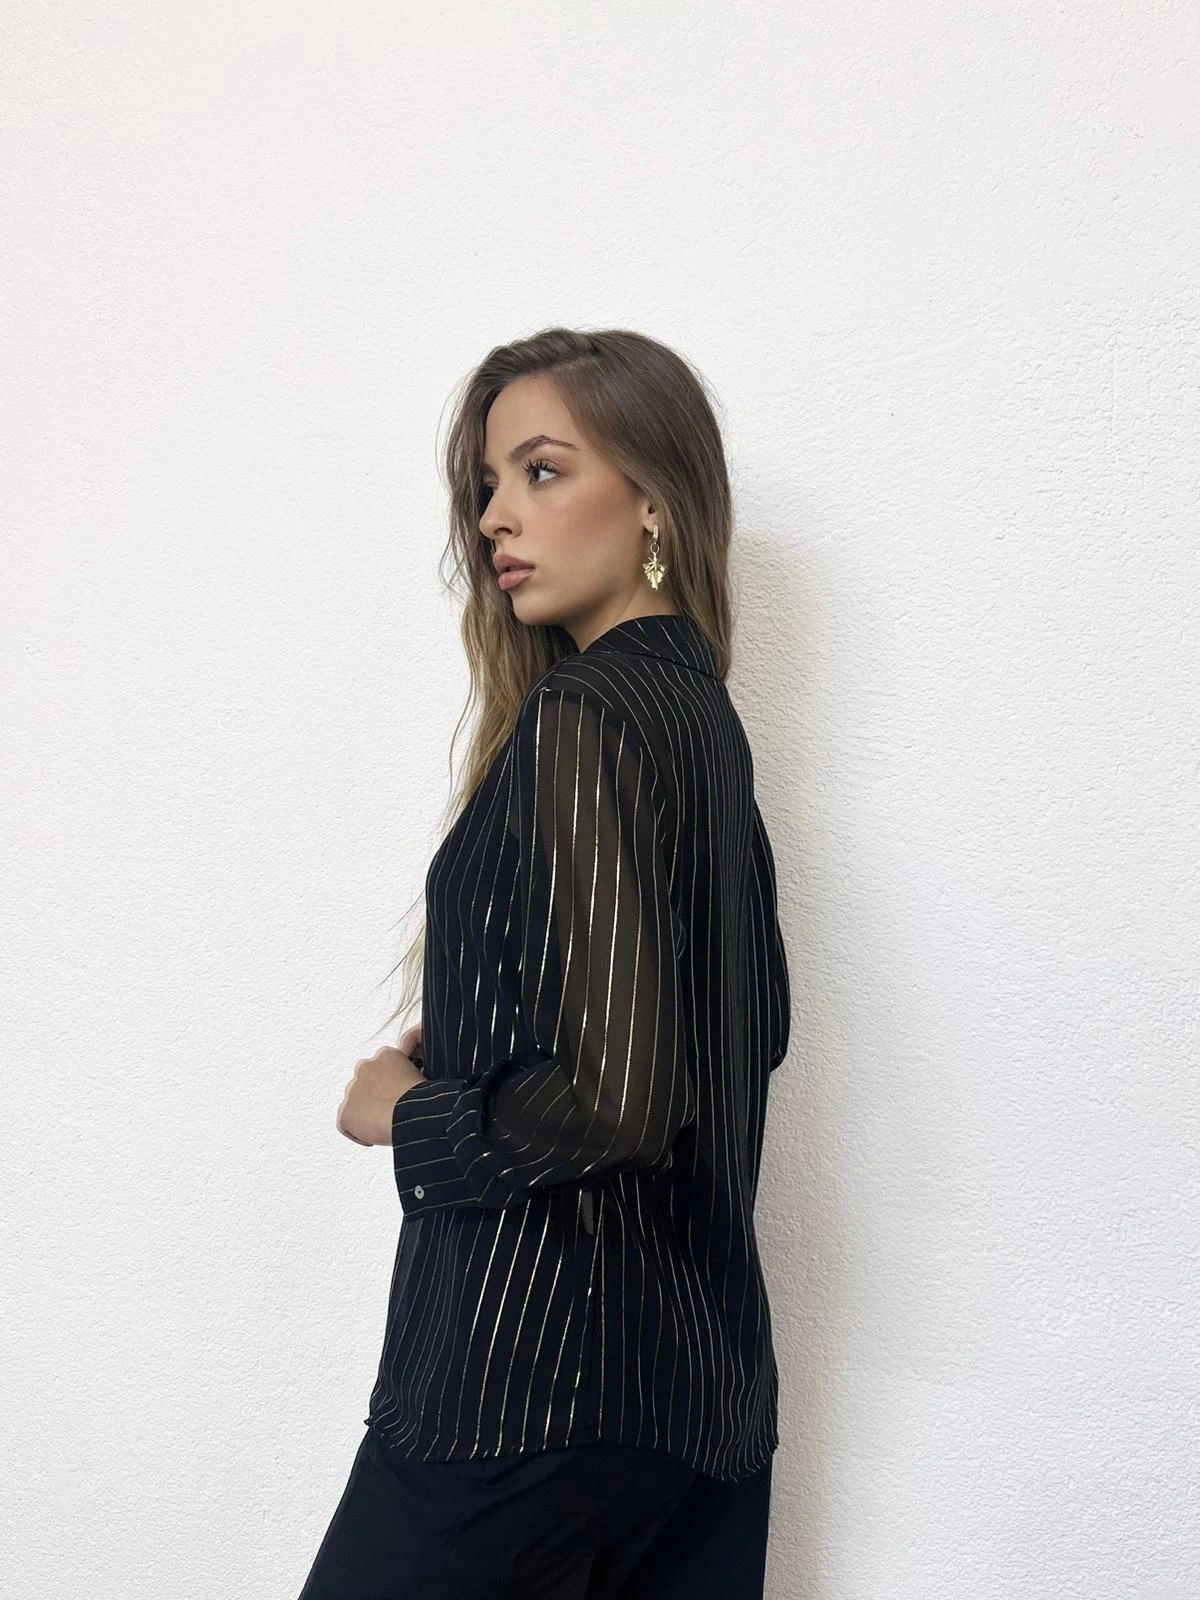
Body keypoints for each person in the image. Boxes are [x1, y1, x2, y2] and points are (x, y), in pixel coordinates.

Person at [299, 327, 792, 1599]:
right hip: (700, 1398)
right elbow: (753, 1028)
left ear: (654, 503)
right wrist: (487, 1030)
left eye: (542, 470)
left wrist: (410, 1112)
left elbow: (622, 1101)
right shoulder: (701, 719)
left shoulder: (585, 715)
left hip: (526, 1382)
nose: (494, 520)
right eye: (486, 485)